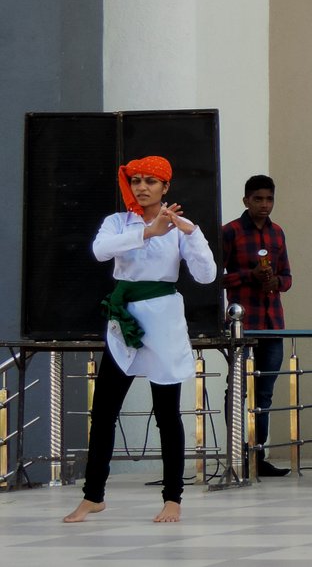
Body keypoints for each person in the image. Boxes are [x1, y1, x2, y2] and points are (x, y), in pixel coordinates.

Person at [65, 156, 217, 525]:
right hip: (125, 321)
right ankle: (93, 496)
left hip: (163, 321)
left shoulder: (179, 228)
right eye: (136, 180)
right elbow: (100, 251)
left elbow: (207, 275)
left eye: (151, 181)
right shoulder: (118, 222)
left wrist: (191, 233)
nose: (142, 187)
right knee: (104, 411)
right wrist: (148, 232)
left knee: (167, 413)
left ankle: (173, 498)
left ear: (166, 187)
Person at [219, 173, 293, 477]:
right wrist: (248, 276)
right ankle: (237, 453)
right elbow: (214, 277)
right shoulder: (230, 232)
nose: (265, 205)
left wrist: (276, 281)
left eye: (269, 199)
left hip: (272, 323)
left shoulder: (278, 233)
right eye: (258, 199)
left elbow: (287, 277)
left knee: (264, 393)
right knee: (238, 390)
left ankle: (258, 456)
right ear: (246, 200)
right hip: (243, 325)